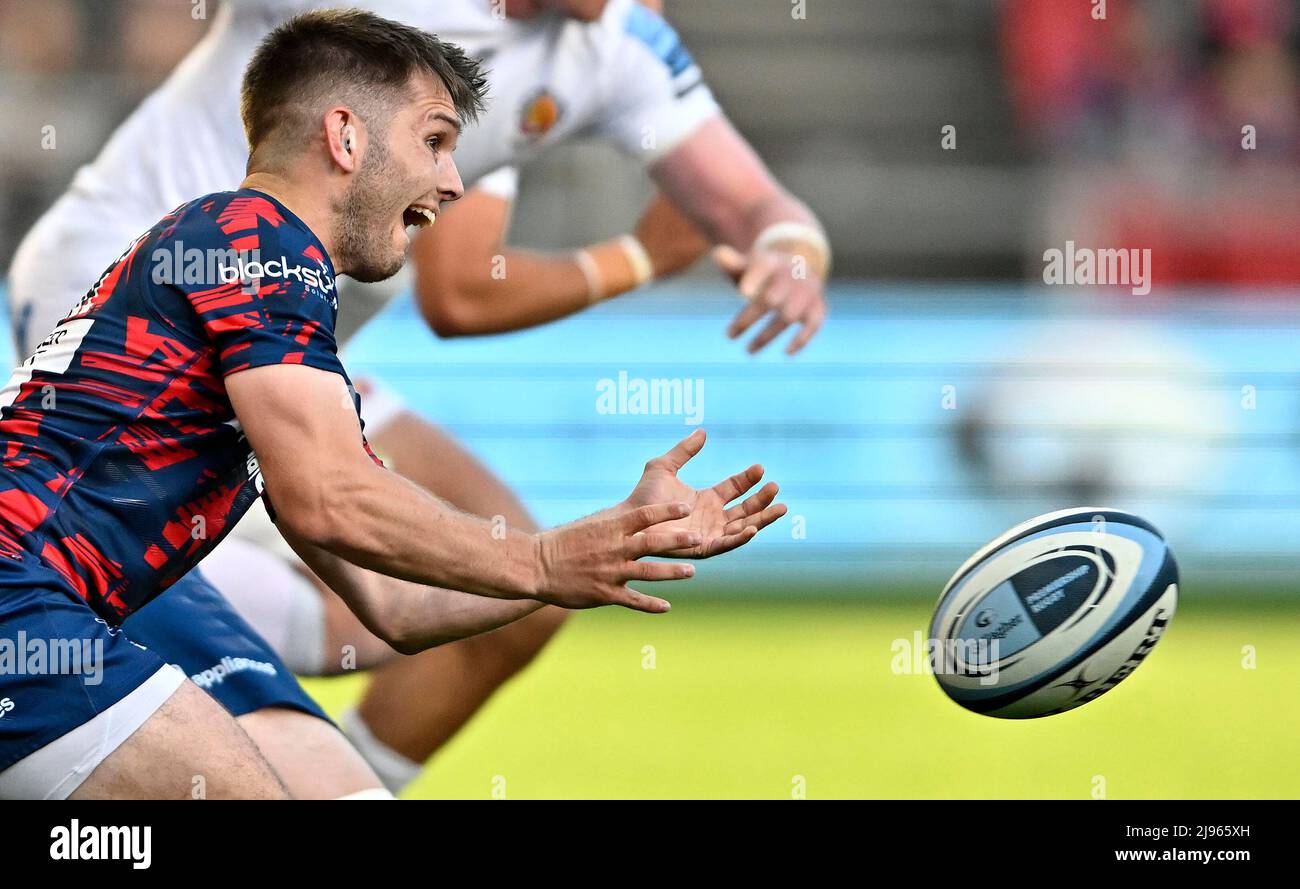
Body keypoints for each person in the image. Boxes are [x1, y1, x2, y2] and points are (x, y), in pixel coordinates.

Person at [7, 0, 827, 795]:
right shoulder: (258, 242)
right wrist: (541, 556)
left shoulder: (265, 311)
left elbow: (393, 608)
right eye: (435, 142)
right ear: (345, 135)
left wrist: (595, 548)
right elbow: (332, 498)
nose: (454, 181)